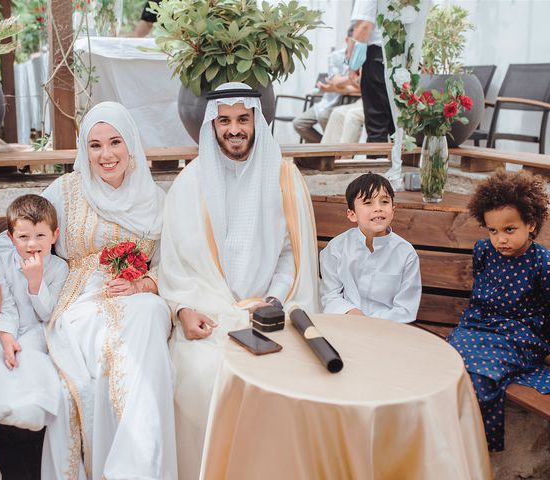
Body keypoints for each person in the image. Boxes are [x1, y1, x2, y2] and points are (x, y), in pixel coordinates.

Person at [0, 102, 177, 479]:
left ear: (131, 144)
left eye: (115, 142)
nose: (106, 155)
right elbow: (20, 237)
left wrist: (144, 283)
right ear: (84, 151)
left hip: (137, 297)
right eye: (95, 145)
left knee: (149, 316)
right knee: (130, 330)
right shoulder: (67, 190)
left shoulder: (157, 201)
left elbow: (176, 263)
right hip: (79, 302)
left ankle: (135, 464)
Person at [159, 82, 319, 479]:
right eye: (225, 120)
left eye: (242, 119)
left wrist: (273, 299)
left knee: (287, 380)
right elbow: (173, 265)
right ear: (212, 125)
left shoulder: (285, 178)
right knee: (202, 375)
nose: (234, 129)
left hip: (271, 313)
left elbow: (291, 256)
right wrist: (182, 310)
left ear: (256, 121)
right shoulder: (189, 183)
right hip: (207, 316)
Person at [448, 170, 550, 452]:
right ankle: (442, 438)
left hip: (519, 336)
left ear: (530, 223)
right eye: (493, 230)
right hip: (478, 326)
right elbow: (478, 300)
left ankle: (476, 447)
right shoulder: (484, 251)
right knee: (448, 362)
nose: (500, 239)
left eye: (509, 230)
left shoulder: (542, 262)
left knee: (480, 376)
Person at [0, 195, 68, 432]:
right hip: (4, 326)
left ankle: (33, 405)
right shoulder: (1, 262)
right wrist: (7, 336)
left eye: (40, 235)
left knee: (32, 354)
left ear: (54, 234)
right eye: (23, 237)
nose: (32, 244)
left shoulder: (59, 268)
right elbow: (4, 303)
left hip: (37, 327)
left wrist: (36, 282)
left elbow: (47, 314)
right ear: (11, 238)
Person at [320, 173, 421, 322]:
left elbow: (405, 309)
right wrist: (352, 314)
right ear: (352, 214)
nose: (378, 208)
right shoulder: (336, 248)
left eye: (384, 202)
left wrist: (370, 322)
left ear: (393, 210)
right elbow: (330, 296)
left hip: (388, 329)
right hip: (345, 322)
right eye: (368, 203)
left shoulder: (406, 254)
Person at [292, 27, 359, 144]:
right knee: (299, 123)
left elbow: (358, 88)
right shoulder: (335, 56)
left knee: (324, 117)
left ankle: (329, 151)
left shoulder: (362, 59)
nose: (356, 45)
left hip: (350, 103)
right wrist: (351, 80)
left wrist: (333, 87)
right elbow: (337, 80)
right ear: (347, 39)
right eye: (354, 41)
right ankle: (324, 146)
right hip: (328, 101)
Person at [348, 0, 395, 144]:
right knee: (396, 123)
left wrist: (353, 63)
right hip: (401, 56)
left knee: (377, 123)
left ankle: (376, 165)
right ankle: (398, 165)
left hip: (377, 56)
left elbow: (364, 25)